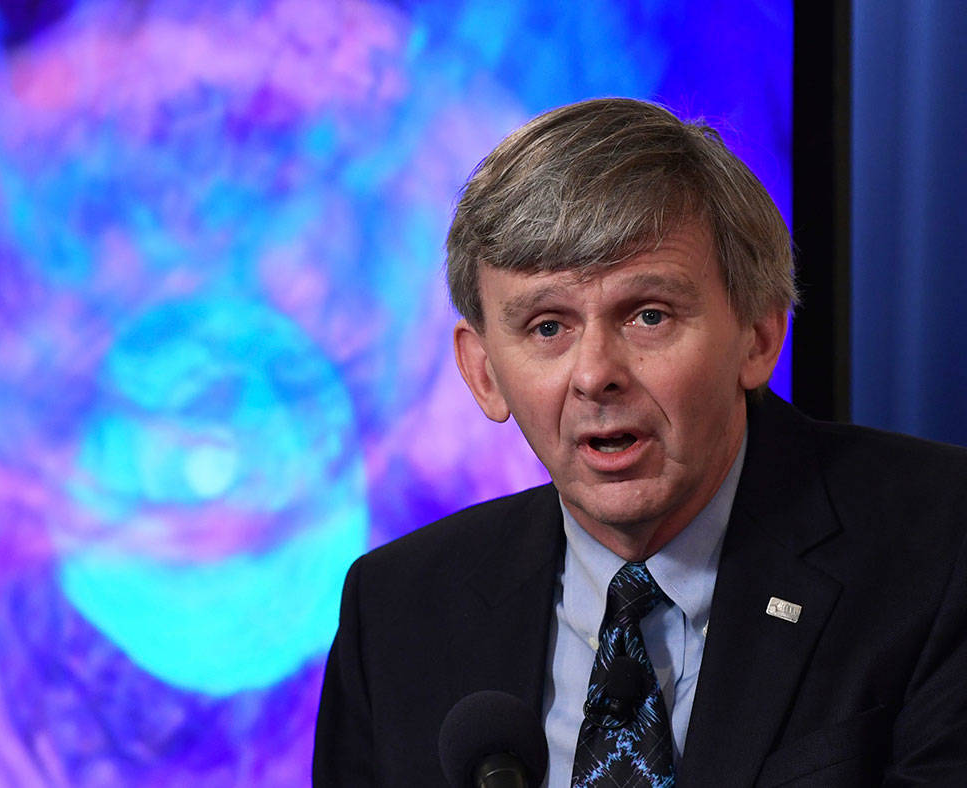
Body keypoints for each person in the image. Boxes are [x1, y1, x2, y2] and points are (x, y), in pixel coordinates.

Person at [312, 98, 967, 787]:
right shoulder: (396, 614)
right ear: (483, 373)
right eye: (546, 327)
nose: (596, 374)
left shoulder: (941, 547)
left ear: (759, 336)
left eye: (648, 315)